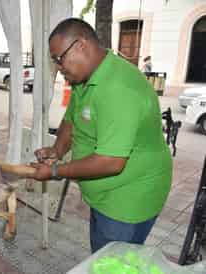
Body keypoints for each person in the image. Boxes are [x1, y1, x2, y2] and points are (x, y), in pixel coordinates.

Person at [26, 18, 172, 253]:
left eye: (59, 59)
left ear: (81, 45)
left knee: (112, 264)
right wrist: (57, 151)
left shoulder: (118, 89)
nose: (58, 67)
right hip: (104, 195)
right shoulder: (83, 79)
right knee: (101, 256)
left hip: (127, 199)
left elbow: (111, 162)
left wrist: (55, 171)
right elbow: (71, 120)